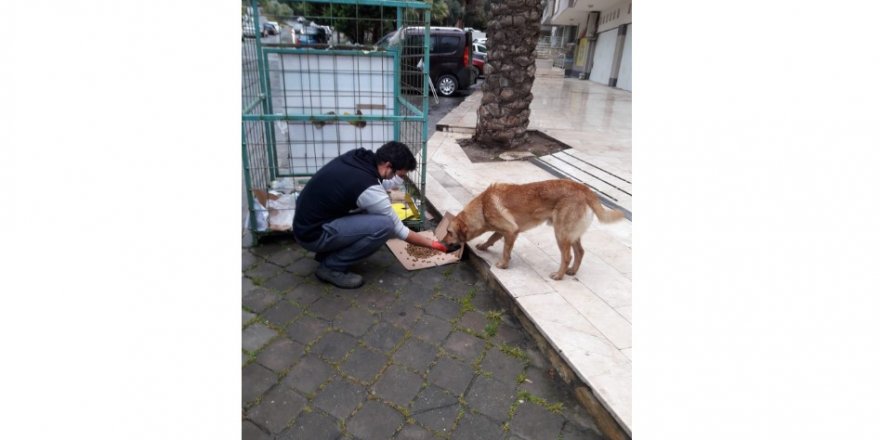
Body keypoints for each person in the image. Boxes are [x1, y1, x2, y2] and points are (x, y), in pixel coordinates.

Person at [293, 141, 454, 289]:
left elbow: (382, 182)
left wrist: (397, 177)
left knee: (370, 212)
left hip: (307, 222)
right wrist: (435, 245)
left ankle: (328, 253)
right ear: (388, 166)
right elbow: (400, 231)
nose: (400, 179)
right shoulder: (368, 187)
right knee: (385, 226)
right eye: (400, 175)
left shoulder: (361, 157)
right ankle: (331, 267)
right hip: (313, 234)